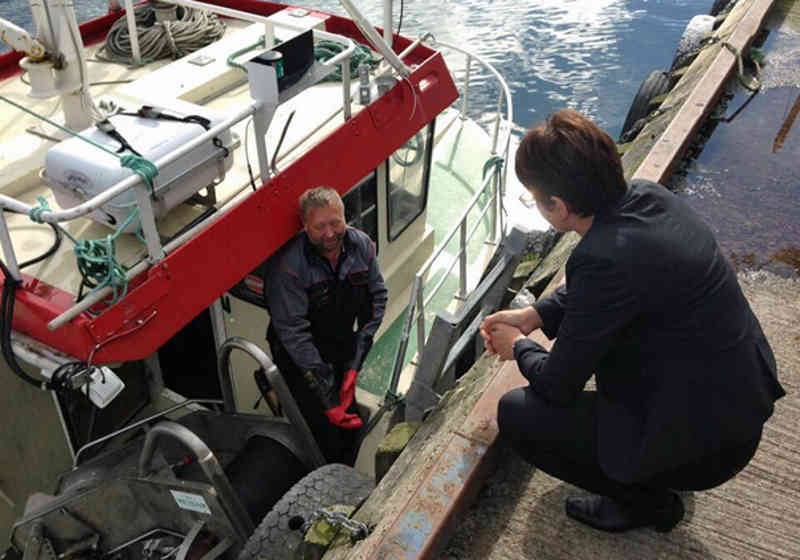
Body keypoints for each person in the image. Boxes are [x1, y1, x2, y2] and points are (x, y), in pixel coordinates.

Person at [480, 109, 785, 533]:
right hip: (738, 407)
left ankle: (647, 503)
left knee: (518, 415)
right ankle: (658, 466)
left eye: (536, 198)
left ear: (560, 207)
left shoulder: (600, 257)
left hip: (710, 448)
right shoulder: (647, 197)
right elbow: (608, 288)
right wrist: (536, 315)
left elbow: (556, 384)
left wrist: (518, 346)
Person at [267, 186, 387, 465]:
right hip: (299, 359)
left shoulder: (363, 247)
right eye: (320, 226)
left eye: (335, 222)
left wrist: (355, 363)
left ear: (345, 218)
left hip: (341, 346)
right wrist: (327, 397)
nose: (330, 233)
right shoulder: (289, 267)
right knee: (321, 433)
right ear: (305, 227)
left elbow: (377, 298)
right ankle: (322, 473)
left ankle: (345, 468)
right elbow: (294, 334)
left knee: (351, 425)